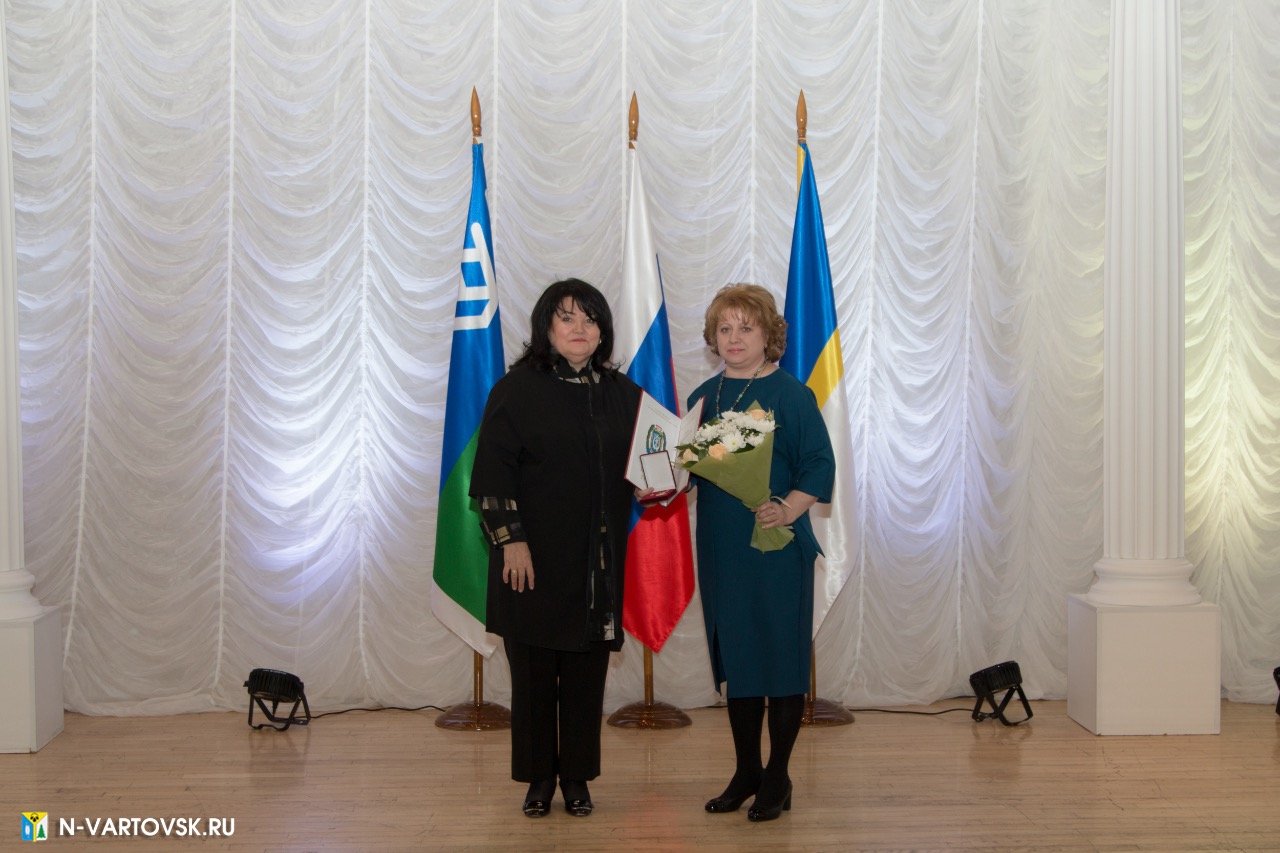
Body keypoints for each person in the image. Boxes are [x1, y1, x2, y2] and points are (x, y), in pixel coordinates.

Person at [470, 278, 642, 818]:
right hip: (533, 563)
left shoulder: (625, 394)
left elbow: (646, 464)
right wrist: (511, 542)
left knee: (586, 681)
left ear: (602, 332)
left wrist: (661, 482)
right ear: (546, 327)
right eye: (566, 318)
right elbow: (492, 476)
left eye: (589, 319)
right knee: (535, 679)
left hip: (597, 566)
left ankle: (577, 778)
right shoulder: (516, 389)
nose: (579, 328)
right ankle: (539, 780)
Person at [686, 283, 835, 823]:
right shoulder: (704, 396)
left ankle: (778, 776)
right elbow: (688, 470)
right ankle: (746, 770)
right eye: (724, 328)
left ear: (768, 334)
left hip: (775, 548)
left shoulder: (791, 394)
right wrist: (656, 480)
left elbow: (819, 463)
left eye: (745, 327)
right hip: (722, 548)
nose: (734, 337)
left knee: (780, 661)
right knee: (740, 660)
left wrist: (789, 508)